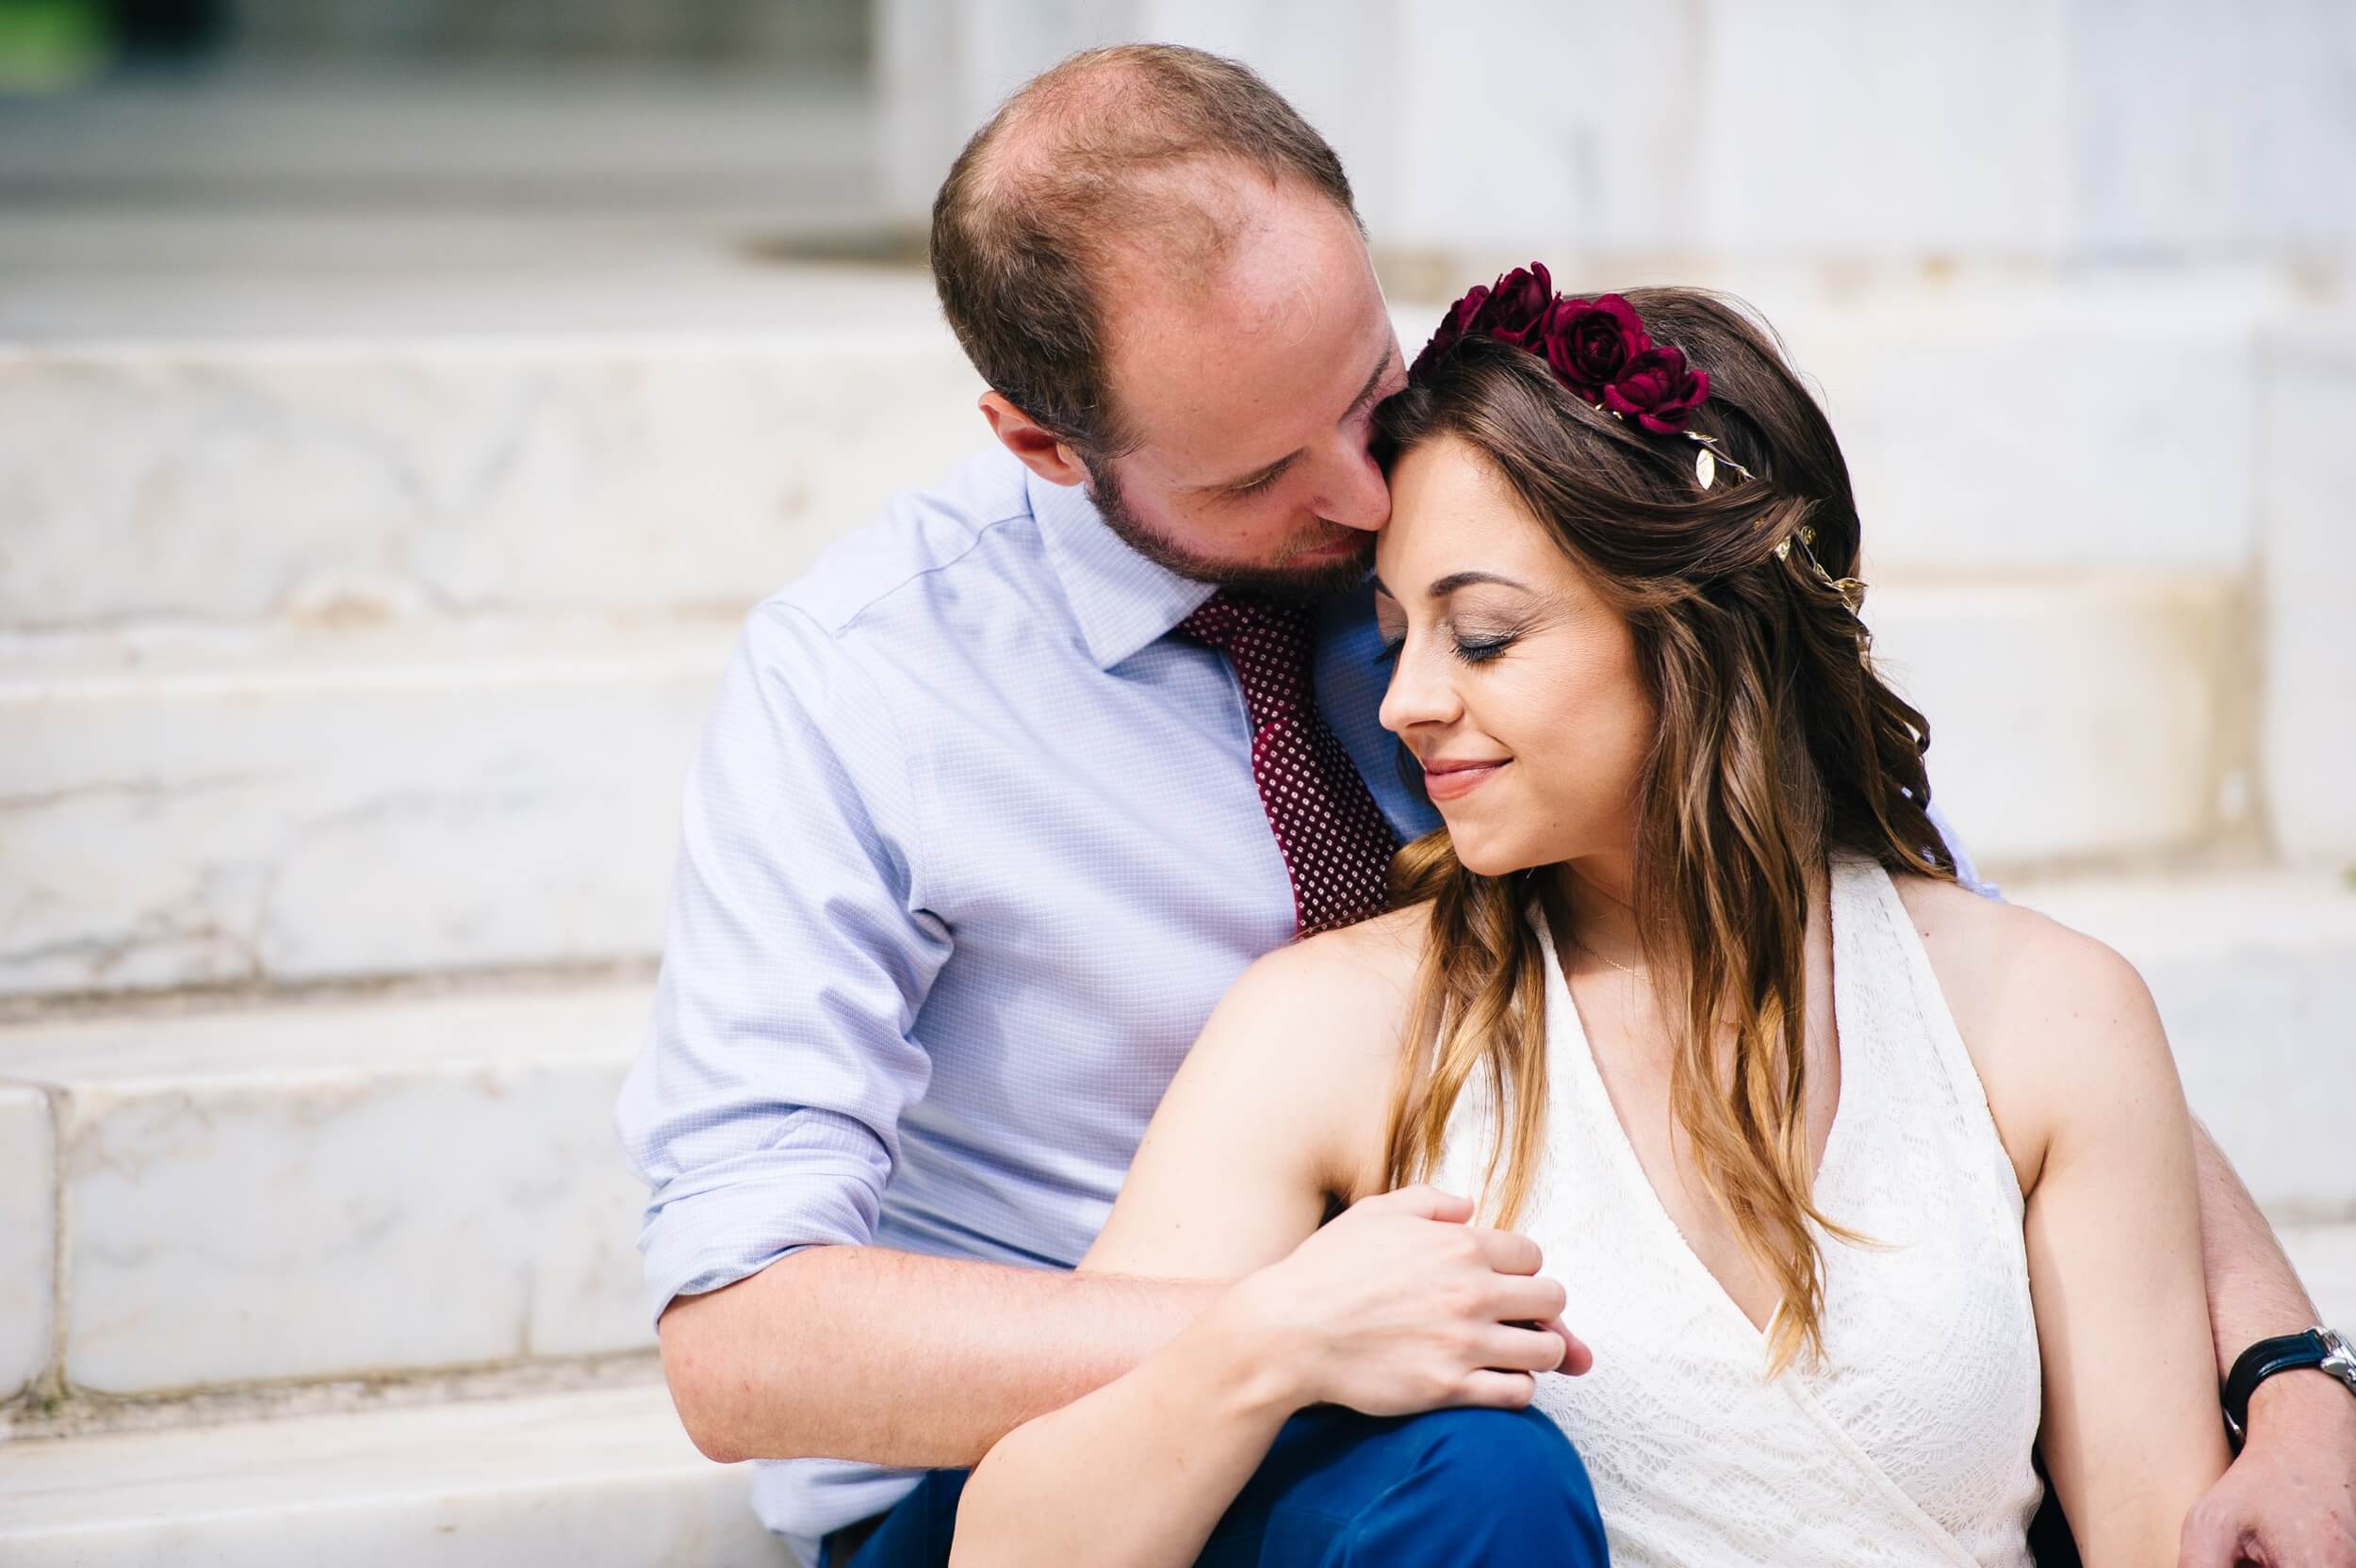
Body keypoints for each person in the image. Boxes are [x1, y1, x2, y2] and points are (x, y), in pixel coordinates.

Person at [613, 42, 2356, 1568]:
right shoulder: (869, 689)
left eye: (1367, 391)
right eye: (1260, 471)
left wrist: (2285, 1369)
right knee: (1480, 1480)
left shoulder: (1480, 484)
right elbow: (743, 1342)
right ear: (1045, 444)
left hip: (1479, 1370)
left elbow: (1975, 1022)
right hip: (1119, 1428)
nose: (1368, 490)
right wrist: (1283, 1329)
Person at [949, 280, 2232, 1565]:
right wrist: (1266, 1343)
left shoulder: (2047, 1017)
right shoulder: (1333, 1028)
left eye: (1484, 636)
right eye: (1397, 636)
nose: (1405, 702)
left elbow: (2155, 1535)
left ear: (1697, 633)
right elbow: (1011, 1545)